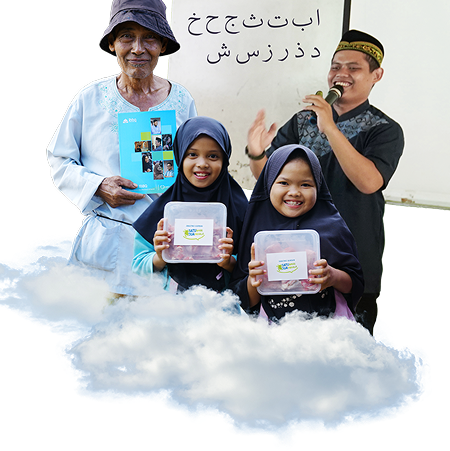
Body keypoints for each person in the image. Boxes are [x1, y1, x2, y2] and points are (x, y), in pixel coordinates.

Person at [245, 30, 403, 332]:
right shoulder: (302, 121)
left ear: (376, 75)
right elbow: (268, 177)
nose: (341, 74)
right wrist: (256, 153)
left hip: (351, 261)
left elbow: (370, 182)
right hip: (294, 256)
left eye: (353, 68)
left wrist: (330, 127)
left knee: (346, 352)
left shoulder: (385, 129)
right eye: (335, 67)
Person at [47, 0, 197, 297]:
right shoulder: (90, 98)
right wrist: (98, 185)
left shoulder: (182, 101)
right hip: (104, 245)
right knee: (95, 324)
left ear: (162, 46)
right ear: (113, 44)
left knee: (154, 326)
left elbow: (195, 167)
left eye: (150, 37)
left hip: (161, 246)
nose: (138, 48)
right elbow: (59, 159)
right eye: (127, 36)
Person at [230, 144, 363, 321]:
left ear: (318, 187)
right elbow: (244, 301)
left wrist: (333, 276)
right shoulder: (257, 232)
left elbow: (355, 285)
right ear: (269, 184)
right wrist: (254, 281)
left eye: (305, 184)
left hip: (328, 327)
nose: (294, 192)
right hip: (272, 329)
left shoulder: (333, 228)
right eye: (284, 183)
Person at [132, 117, 249, 292]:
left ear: (224, 160)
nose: (202, 164)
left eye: (213, 156)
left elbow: (255, 268)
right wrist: (161, 256)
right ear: (180, 157)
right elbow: (137, 265)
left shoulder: (241, 209)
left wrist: (228, 262)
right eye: (192, 154)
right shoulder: (165, 209)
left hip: (226, 304)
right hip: (174, 303)